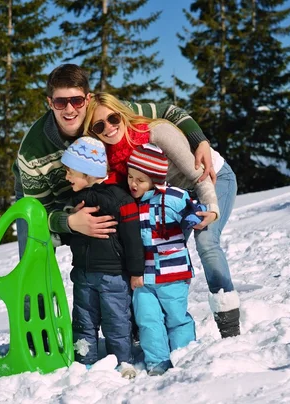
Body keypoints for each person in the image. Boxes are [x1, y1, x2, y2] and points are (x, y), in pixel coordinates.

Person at [13, 63, 216, 258]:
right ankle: (34, 293)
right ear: (50, 103)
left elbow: (168, 112)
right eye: (60, 102)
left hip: (94, 190)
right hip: (45, 193)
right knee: (35, 247)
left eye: (76, 100)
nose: (69, 109)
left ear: (87, 98)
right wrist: (69, 221)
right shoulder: (33, 152)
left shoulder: (107, 117)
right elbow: (38, 212)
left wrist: (200, 141)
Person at [84, 92, 241, 338]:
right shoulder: (110, 158)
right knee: (153, 246)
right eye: (99, 125)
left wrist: (210, 206)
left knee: (207, 242)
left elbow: (197, 174)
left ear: (122, 115)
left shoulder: (156, 133)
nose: (109, 127)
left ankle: (229, 326)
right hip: (172, 195)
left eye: (113, 118)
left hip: (211, 179)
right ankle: (153, 325)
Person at [60, 136, 144, 379]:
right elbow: (68, 235)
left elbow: (132, 239)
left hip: (114, 275)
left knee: (116, 320)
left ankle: (123, 361)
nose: (66, 177)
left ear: (87, 173)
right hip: (83, 273)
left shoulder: (122, 200)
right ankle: (84, 360)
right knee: (83, 320)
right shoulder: (75, 201)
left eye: (70, 172)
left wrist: (136, 271)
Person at [127, 143, 199, 376]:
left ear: (155, 179)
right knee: (148, 320)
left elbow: (194, 209)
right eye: (130, 177)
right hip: (143, 277)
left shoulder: (174, 197)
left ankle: (185, 355)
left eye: (140, 179)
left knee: (177, 317)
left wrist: (194, 217)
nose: (133, 184)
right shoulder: (129, 204)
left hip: (173, 273)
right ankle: (157, 363)